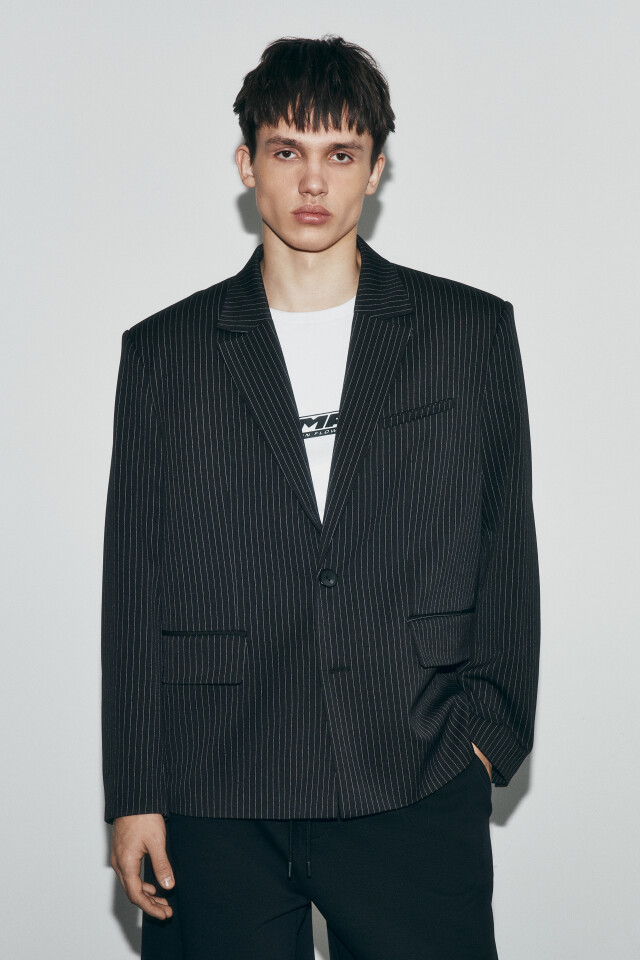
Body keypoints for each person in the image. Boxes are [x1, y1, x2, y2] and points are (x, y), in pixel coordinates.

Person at [102, 34, 540, 960]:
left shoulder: (468, 334)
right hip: (217, 780)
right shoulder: (165, 353)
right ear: (246, 165)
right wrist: (135, 791)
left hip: (414, 765)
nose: (312, 181)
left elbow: (505, 539)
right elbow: (134, 579)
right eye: (286, 150)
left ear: (375, 169)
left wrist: (488, 736)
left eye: (341, 154)